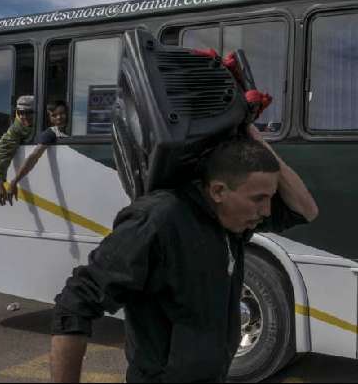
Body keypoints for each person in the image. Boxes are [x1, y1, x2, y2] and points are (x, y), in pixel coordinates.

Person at [50, 125, 318, 383]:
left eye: (270, 197)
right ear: (218, 191)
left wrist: (258, 144)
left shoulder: (230, 222)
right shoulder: (159, 220)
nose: (267, 211)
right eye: (258, 198)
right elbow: (74, 305)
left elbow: (306, 209)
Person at [8, 100, 69, 201]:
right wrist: (14, 181)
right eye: (54, 115)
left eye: (62, 113)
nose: (59, 117)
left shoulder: (66, 132)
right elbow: (34, 156)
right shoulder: (50, 133)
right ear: (49, 118)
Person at [0, 95, 35, 205]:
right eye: (20, 112)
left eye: (28, 112)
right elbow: (4, 152)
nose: (23, 116)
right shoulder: (16, 128)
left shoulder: (48, 121)